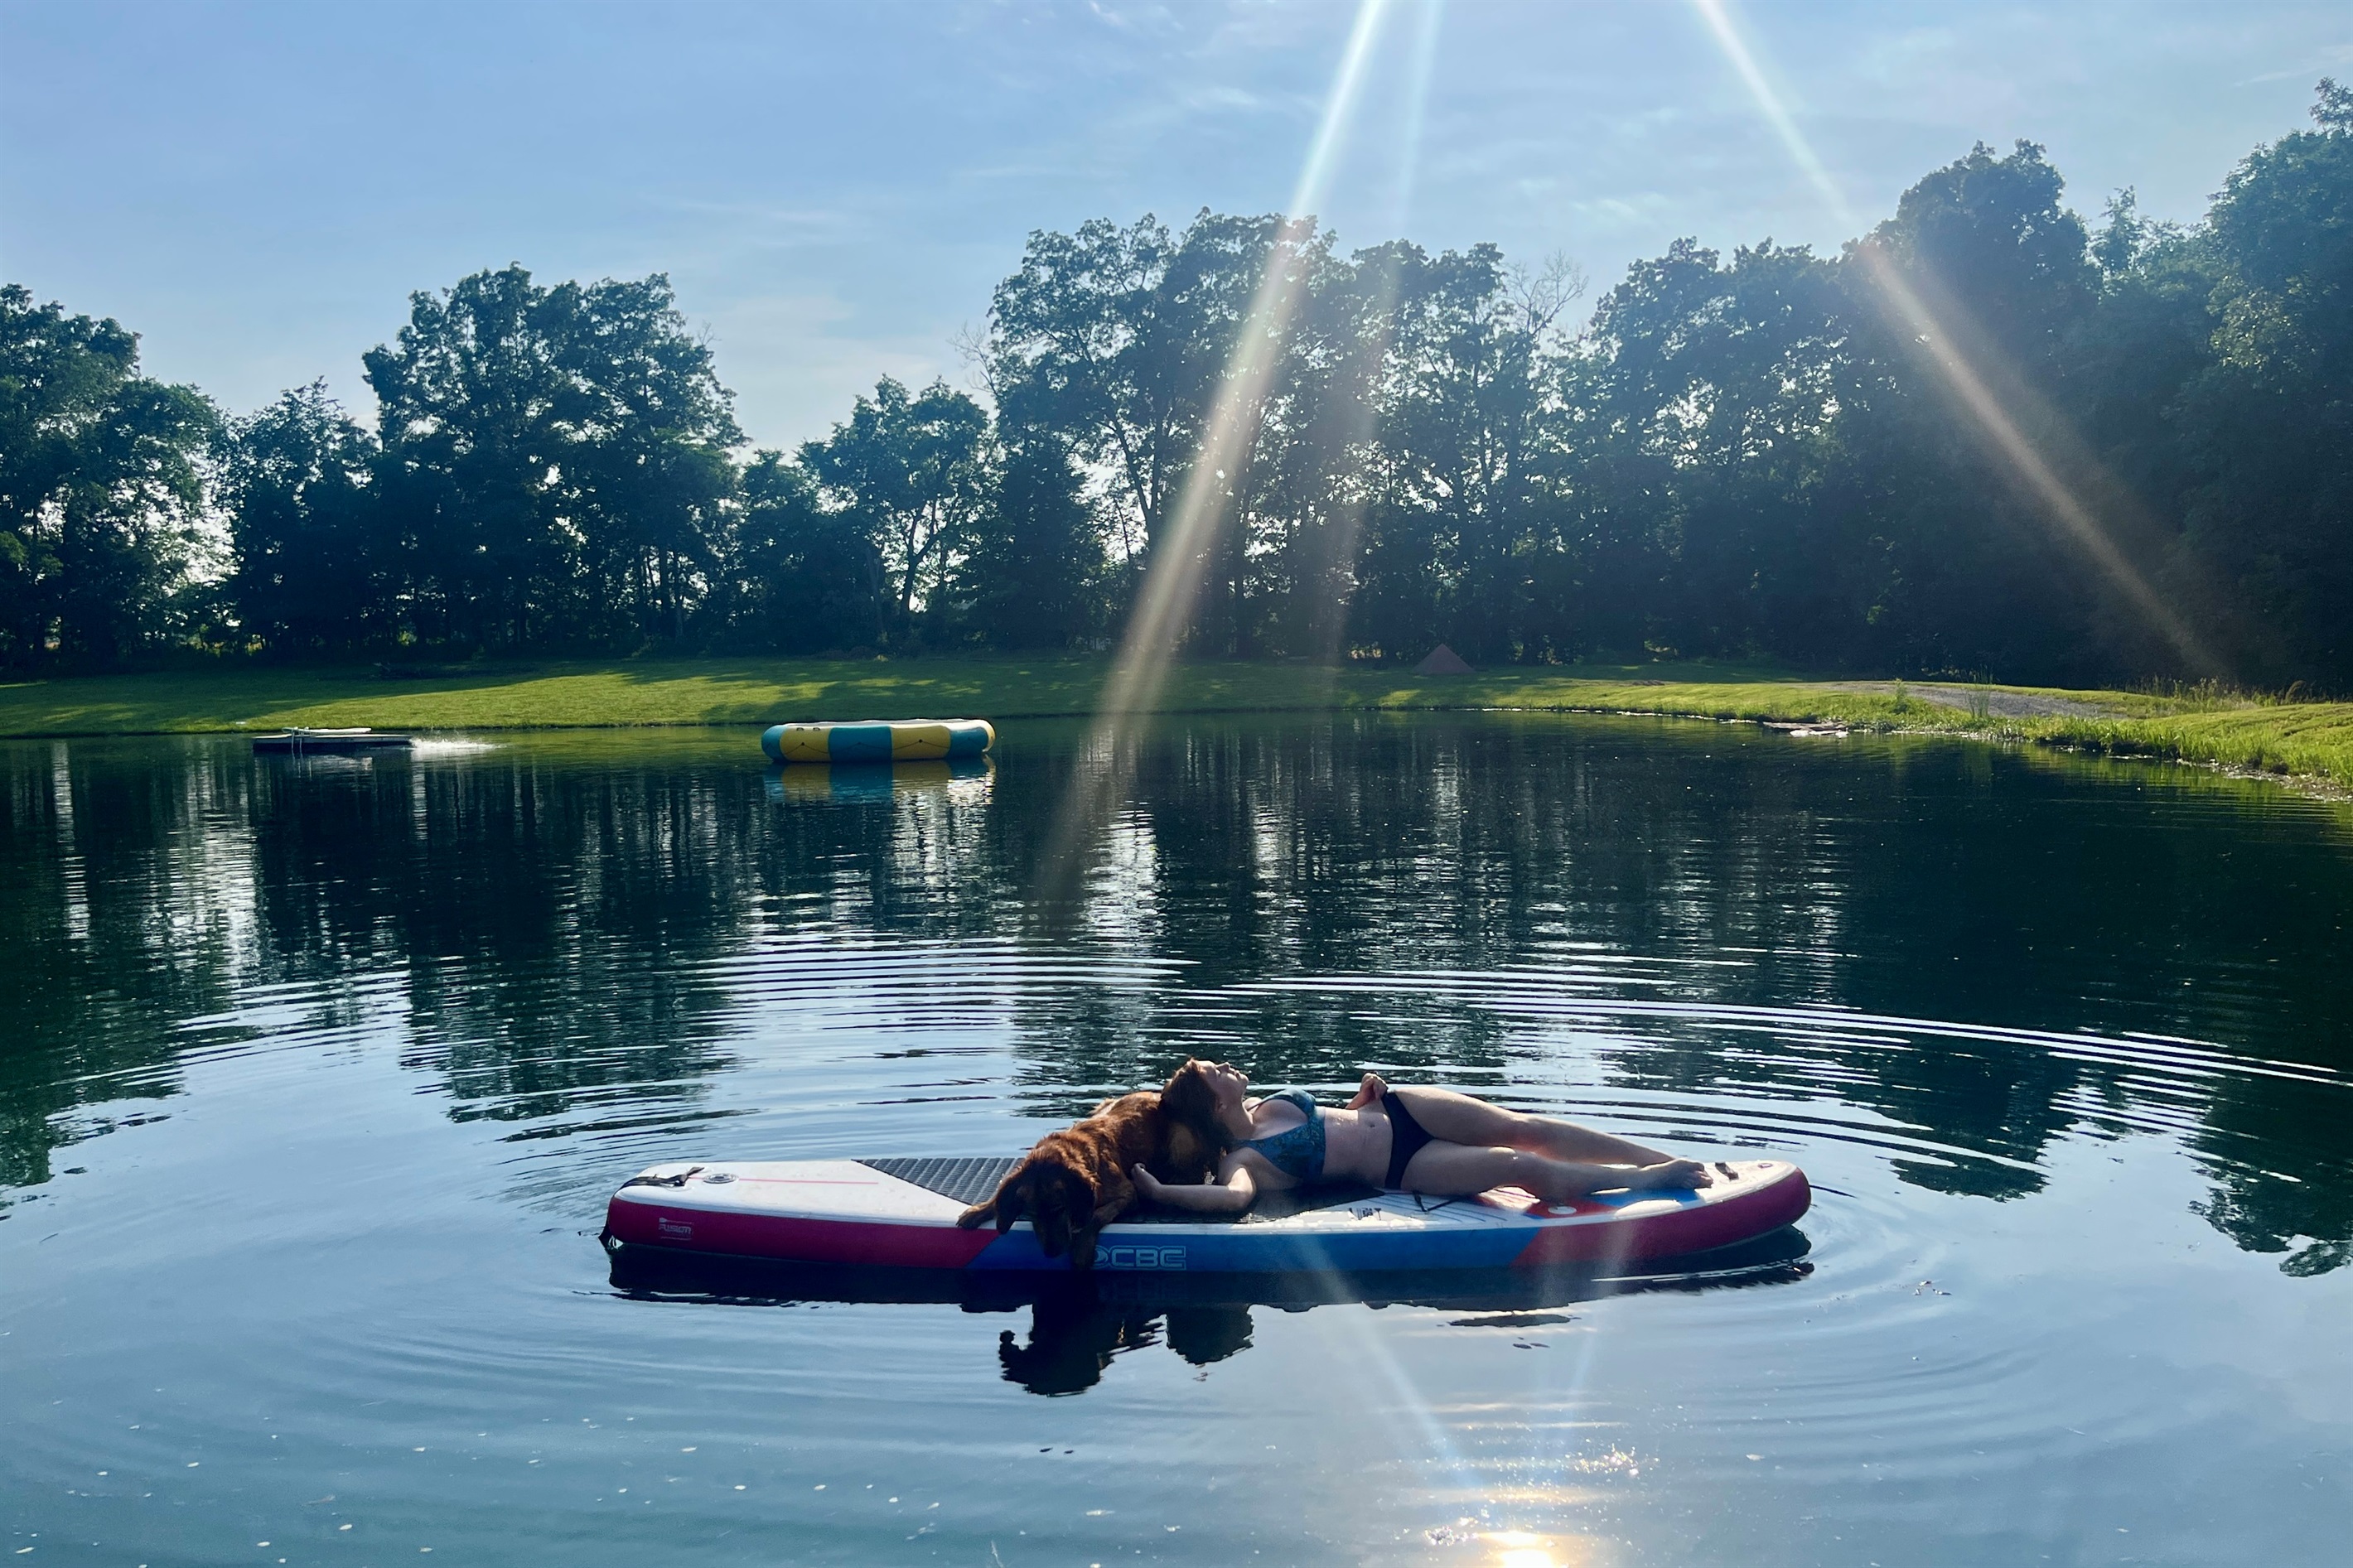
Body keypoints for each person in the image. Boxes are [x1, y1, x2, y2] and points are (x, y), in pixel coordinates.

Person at [1137, 1059, 1713, 1215]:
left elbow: (1333, 1120)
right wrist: (1161, 1193)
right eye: (1216, 1070)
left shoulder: (1263, 1105)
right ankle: (1646, 1178)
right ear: (1216, 1102)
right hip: (1403, 1165)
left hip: (1401, 1107)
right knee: (1517, 1163)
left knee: (1525, 1126)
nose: (1227, 1065)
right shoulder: (1246, 1159)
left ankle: (1658, 1155)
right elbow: (1233, 1198)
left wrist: (1364, 1095)